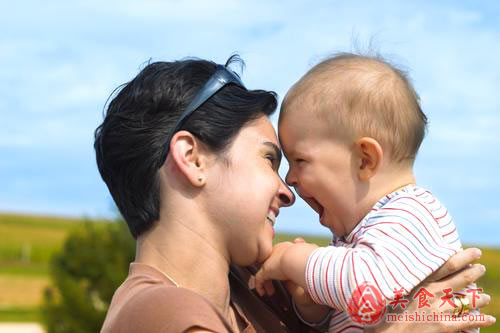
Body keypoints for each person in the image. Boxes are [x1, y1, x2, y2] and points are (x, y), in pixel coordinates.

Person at [95, 55, 494, 332]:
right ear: (193, 158)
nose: (288, 191)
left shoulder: (260, 293)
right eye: (270, 159)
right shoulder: (162, 313)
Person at [254, 53, 485, 331]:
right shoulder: (364, 238)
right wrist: (312, 304)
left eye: (300, 161)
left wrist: (295, 261)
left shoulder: (412, 213)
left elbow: (370, 286)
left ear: (365, 160)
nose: (290, 178)